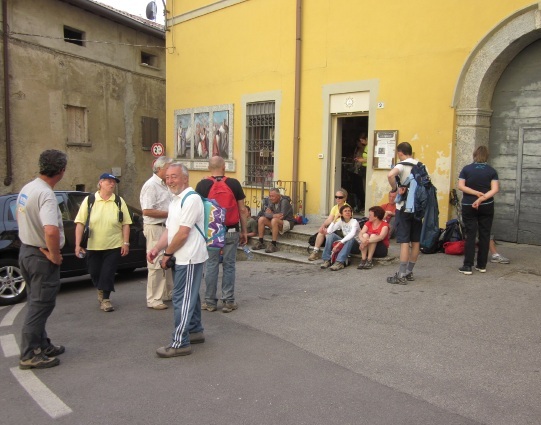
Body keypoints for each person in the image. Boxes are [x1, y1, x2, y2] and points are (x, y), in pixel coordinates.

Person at [147, 163, 208, 358]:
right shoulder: (175, 200)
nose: (170, 180)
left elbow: (183, 234)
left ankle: (180, 342)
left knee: (182, 298)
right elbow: (170, 230)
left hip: (189, 256)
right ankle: (195, 330)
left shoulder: (191, 199)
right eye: (167, 177)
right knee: (191, 295)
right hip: (181, 256)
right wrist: (157, 248)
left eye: (174, 176)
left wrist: (167, 254)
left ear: (185, 178)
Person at [16, 150, 67, 369]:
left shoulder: (28, 188)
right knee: (40, 305)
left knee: (37, 302)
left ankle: (42, 344)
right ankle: (29, 354)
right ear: (62, 171)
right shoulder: (46, 194)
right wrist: (54, 255)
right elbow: (51, 230)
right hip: (40, 256)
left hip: (27, 250)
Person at [195, 156, 247, 313]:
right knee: (229, 265)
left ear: (209, 168)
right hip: (231, 230)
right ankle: (228, 301)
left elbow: (198, 211)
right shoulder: (234, 183)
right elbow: (242, 210)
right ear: (224, 167)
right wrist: (244, 231)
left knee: (211, 265)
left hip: (212, 232)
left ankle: (210, 302)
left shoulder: (202, 185)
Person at [74, 173, 132, 312]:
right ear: (100, 183)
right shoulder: (90, 200)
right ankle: (101, 289)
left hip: (114, 244)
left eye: (114, 182)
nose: (112, 184)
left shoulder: (118, 201)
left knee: (108, 272)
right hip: (93, 245)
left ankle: (106, 299)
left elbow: (126, 224)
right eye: (109, 181)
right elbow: (80, 223)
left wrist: (125, 243)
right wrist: (77, 244)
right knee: (94, 271)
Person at [458, 146, 499, 275]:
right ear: (487, 156)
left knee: (470, 234)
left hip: (468, 205)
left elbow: (461, 186)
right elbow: (495, 189)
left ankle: (467, 265)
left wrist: (475, 194)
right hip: (487, 205)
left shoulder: (466, 169)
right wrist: (482, 198)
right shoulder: (492, 171)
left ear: (474, 155)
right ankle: (481, 265)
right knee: (485, 234)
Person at [140, 156, 174, 310]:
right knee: (155, 263)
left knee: (166, 260)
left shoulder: (165, 184)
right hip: (155, 227)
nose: (171, 171)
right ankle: (153, 298)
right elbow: (147, 210)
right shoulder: (151, 185)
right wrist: (170, 214)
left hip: (165, 226)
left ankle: (166, 293)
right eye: (169, 168)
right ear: (160, 168)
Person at [386, 142, 421, 284]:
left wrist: (395, 187)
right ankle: (409, 272)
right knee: (416, 241)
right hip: (418, 208)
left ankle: (401, 274)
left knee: (404, 241)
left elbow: (390, 175)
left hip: (405, 207)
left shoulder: (401, 165)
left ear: (400, 153)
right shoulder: (421, 165)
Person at [307, 188, 350, 261]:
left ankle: (328, 255)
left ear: (345, 198)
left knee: (327, 233)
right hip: (334, 227)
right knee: (322, 231)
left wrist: (333, 224)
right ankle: (315, 252)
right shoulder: (335, 207)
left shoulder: (347, 208)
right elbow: (329, 219)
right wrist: (323, 226)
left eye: (340, 197)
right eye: (336, 197)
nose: (337, 199)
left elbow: (346, 221)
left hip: (342, 230)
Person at [252, 188, 295, 253]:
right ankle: (260, 242)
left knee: (274, 220)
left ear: (278, 196)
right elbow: (265, 213)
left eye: (273, 196)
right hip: (275, 221)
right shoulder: (271, 201)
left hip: (287, 222)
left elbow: (281, 216)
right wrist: (274, 215)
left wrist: (271, 214)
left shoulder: (284, 202)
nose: (271, 198)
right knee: (261, 219)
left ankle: (274, 244)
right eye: (270, 196)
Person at [320, 205, 360, 271]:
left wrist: (340, 243)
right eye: (345, 211)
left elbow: (352, 234)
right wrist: (335, 218)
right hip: (345, 244)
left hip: (355, 246)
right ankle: (326, 260)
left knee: (351, 238)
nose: (348, 212)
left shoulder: (354, 222)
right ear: (341, 214)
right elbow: (329, 231)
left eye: (349, 211)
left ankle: (339, 262)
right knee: (331, 235)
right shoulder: (341, 222)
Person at [351, 134, 368, 213]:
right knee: (363, 187)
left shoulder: (369, 146)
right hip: (364, 168)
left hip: (367, 169)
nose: (361, 142)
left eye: (362, 140)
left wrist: (362, 160)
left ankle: (366, 206)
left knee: (365, 188)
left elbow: (371, 158)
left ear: (366, 139)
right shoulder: (366, 146)